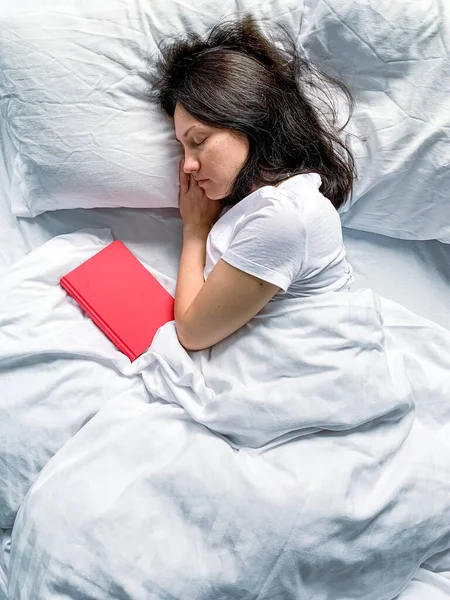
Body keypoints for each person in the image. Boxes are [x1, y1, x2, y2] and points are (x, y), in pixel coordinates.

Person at [149, 14, 355, 351]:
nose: (187, 165)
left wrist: (195, 230)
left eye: (199, 141)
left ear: (250, 121)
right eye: (182, 148)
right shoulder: (263, 204)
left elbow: (191, 333)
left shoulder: (285, 215)